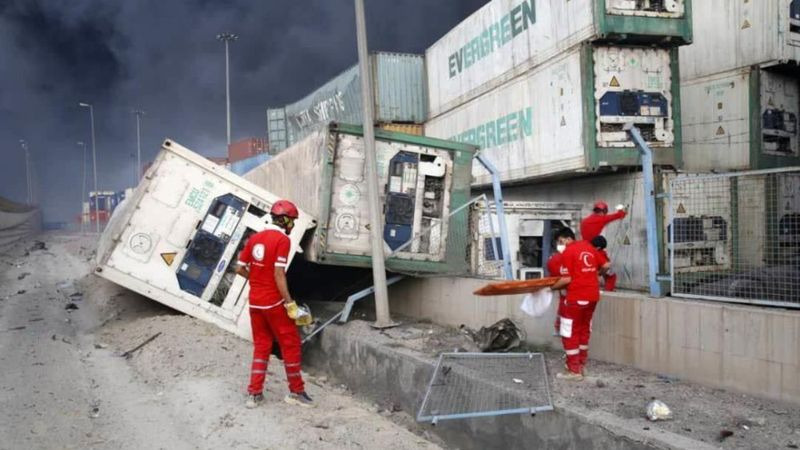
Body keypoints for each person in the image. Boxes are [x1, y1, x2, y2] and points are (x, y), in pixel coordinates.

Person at [236, 200, 313, 409]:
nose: (293, 225)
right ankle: (296, 392)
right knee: (290, 344)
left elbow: (239, 268)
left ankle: (254, 394)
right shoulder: (282, 240)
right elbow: (279, 273)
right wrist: (290, 304)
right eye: (292, 221)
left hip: (255, 303)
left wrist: (256, 279)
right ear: (285, 220)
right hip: (273, 302)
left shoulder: (254, 239)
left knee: (262, 345)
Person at [550, 227, 610, 381]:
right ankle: (581, 365)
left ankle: (573, 370)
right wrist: (596, 275)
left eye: (560, 241)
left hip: (576, 297)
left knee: (569, 332)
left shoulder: (568, 252)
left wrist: (551, 288)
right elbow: (606, 265)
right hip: (592, 297)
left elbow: (566, 279)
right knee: (584, 330)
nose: (560, 245)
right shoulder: (588, 247)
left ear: (566, 238)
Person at [580, 201, 626, 291]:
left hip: (586, 250)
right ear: (604, 211)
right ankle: (608, 291)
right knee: (610, 274)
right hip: (598, 251)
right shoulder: (602, 219)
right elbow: (620, 215)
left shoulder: (584, 221)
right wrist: (621, 209)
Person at [546, 240, 568, 336]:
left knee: (563, 307)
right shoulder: (558, 258)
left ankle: (559, 328)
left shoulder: (554, 258)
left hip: (564, 286)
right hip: (567, 287)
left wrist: (552, 287)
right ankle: (560, 328)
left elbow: (552, 272)